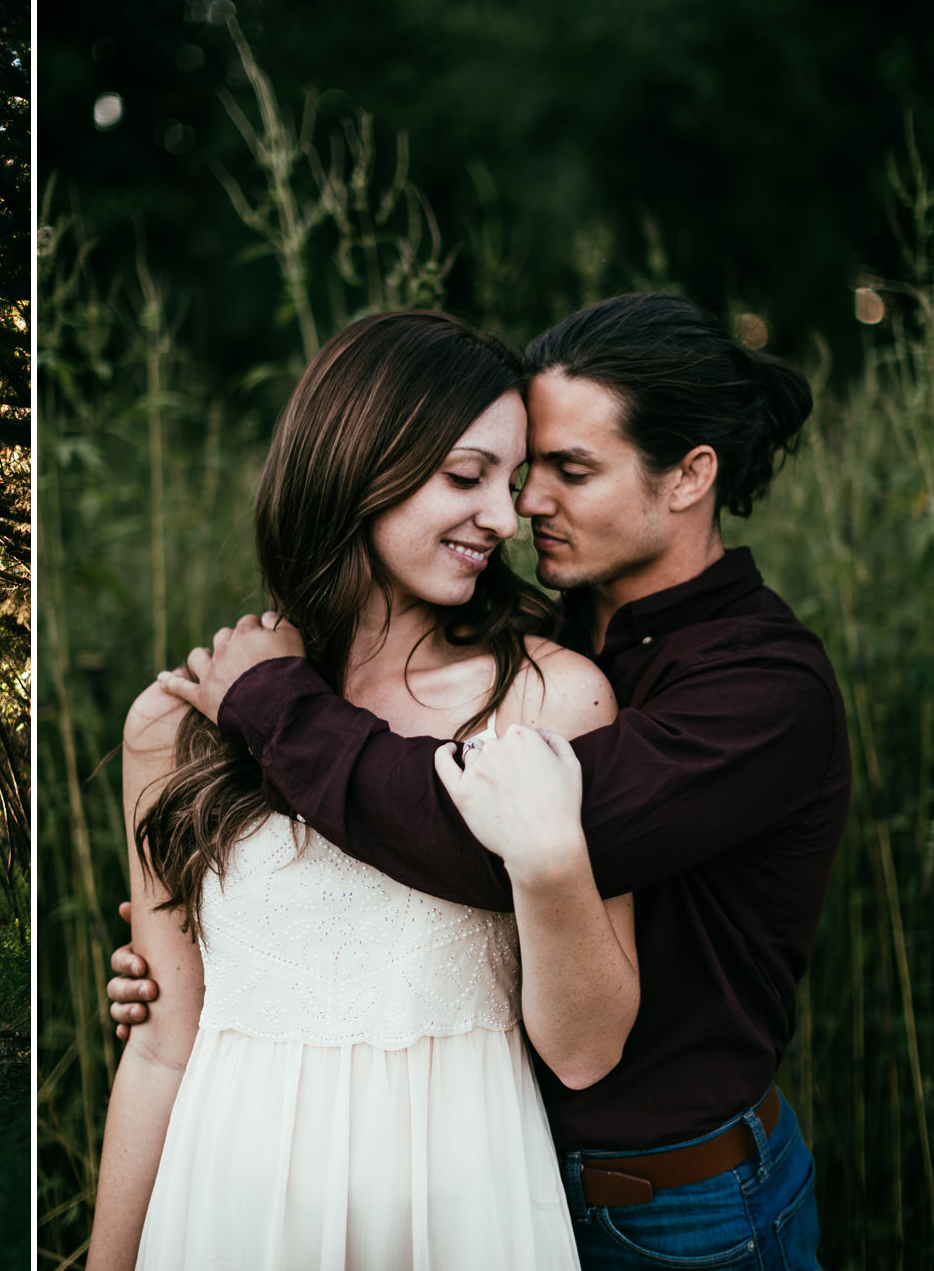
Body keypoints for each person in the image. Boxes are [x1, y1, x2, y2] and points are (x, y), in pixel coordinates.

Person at [115, 293, 848, 1269]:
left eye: (565, 470)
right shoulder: (563, 628)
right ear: (356, 462)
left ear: (689, 477)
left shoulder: (747, 690)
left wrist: (275, 703)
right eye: (503, 470)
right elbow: (194, 1015)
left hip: (674, 1198)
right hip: (267, 1196)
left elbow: (460, 831)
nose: (519, 509)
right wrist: (208, 956)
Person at [89, 310, 638, 1271]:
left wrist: (551, 861)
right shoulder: (176, 726)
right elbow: (164, 1047)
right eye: (466, 478)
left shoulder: (552, 699)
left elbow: (587, 1048)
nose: (505, 520)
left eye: (509, 488)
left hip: (465, 1208)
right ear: (354, 465)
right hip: (227, 1205)